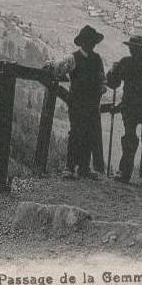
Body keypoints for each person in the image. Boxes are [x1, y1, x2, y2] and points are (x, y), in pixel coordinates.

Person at [44, 25, 106, 180]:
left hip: (92, 104)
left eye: (93, 42)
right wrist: (50, 64)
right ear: (82, 42)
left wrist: (101, 88)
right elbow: (58, 69)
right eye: (88, 41)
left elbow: (103, 80)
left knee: (89, 134)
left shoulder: (97, 59)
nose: (91, 44)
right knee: (76, 133)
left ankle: (84, 168)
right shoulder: (72, 58)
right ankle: (69, 167)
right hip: (77, 103)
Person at [106, 34, 142, 186]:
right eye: (132, 47)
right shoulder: (125, 63)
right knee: (131, 139)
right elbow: (114, 83)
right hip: (131, 109)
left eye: (136, 48)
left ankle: (141, 175)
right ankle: (127, 173)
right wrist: (112, 71)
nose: (133, 50)